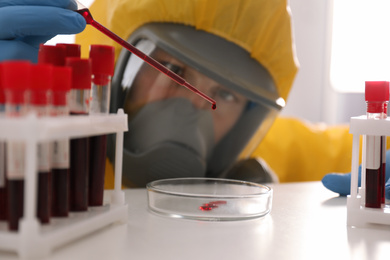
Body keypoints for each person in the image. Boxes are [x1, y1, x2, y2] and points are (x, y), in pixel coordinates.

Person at [1, 0, 389, 196]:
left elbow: (359, 148)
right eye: (175, 71)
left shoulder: (263, 163)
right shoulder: (45, 157)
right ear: (118, 69)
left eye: (224, 93)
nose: (195, 105)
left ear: (249, 120)